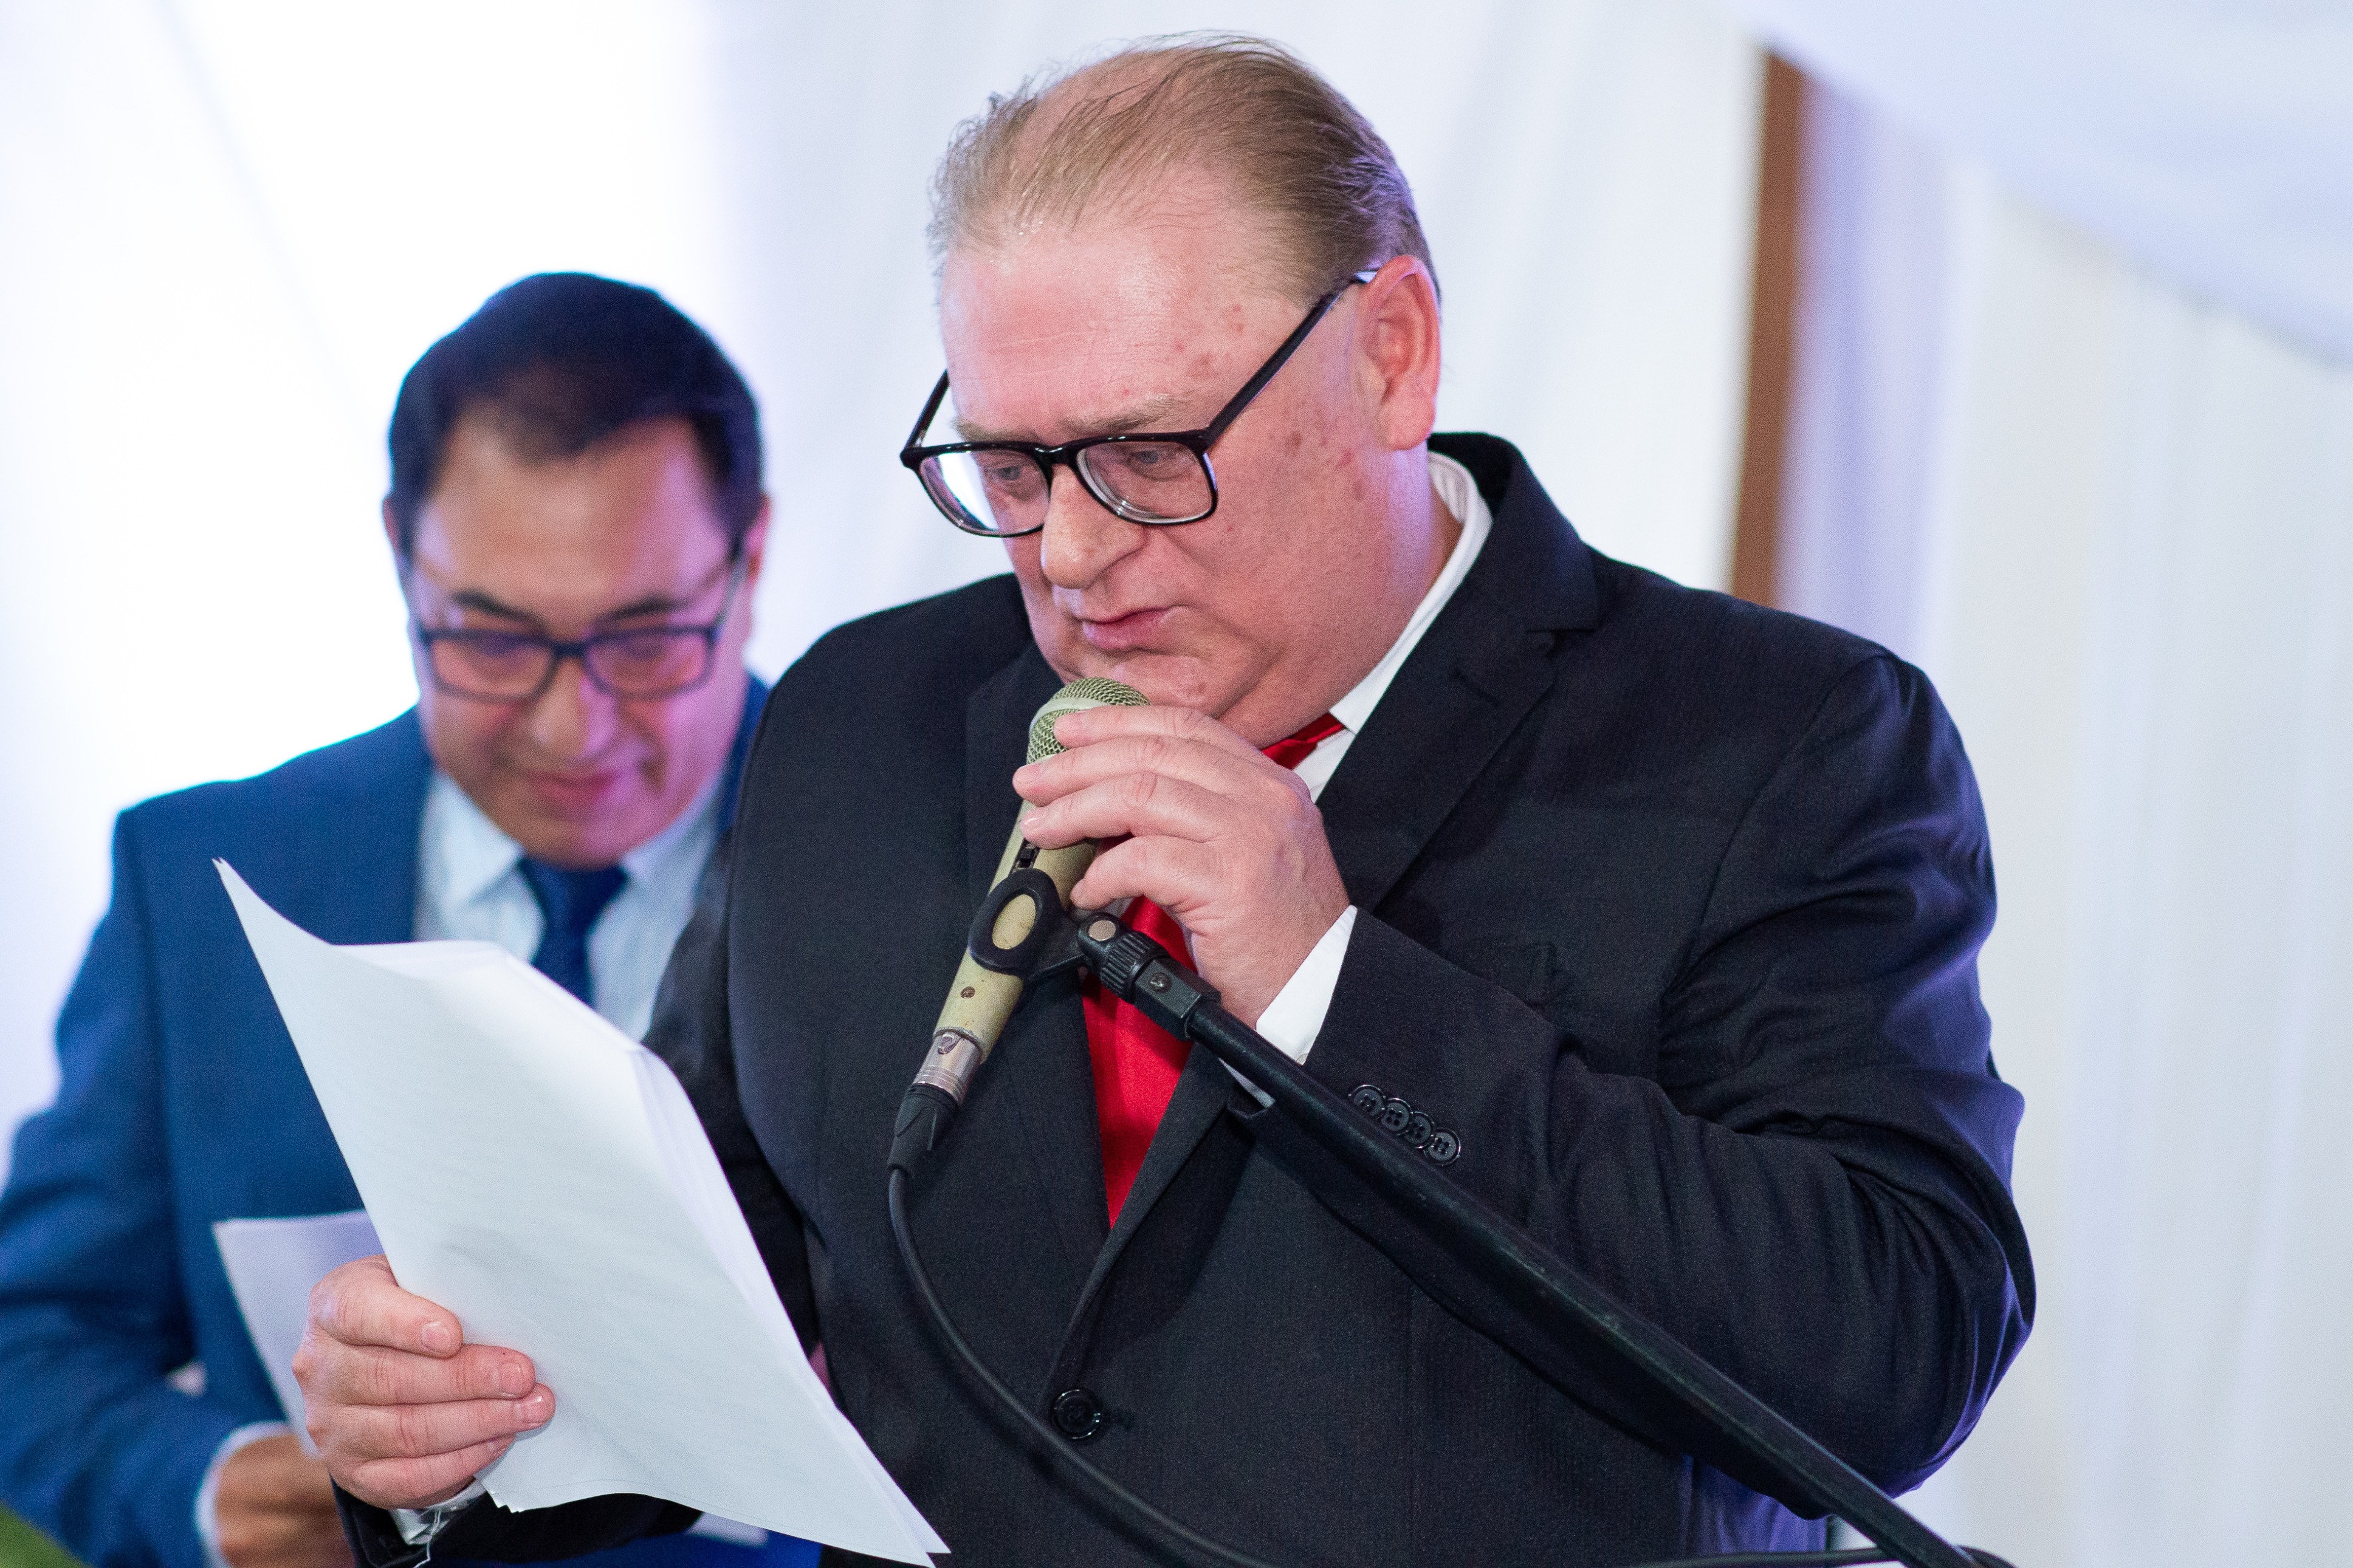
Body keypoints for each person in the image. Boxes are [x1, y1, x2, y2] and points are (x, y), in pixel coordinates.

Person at [298, 39, 2033, 1568]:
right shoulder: (854, 725)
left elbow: (1895, 1348)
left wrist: (1329, 982)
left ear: (1394, 354)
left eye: (1146, 456)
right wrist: (449, 1425)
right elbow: (694, 1307)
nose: (1068, 551)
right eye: (1009, 466)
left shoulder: (1779, 743)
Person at [0, 274, 819, 1568]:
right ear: (400, 556)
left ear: (752, 558)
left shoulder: (917, 858)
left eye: (646, 638)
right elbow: (34, 1335)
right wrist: (225, 1494)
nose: (575, 728)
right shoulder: (203, 879)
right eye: (493, 640)